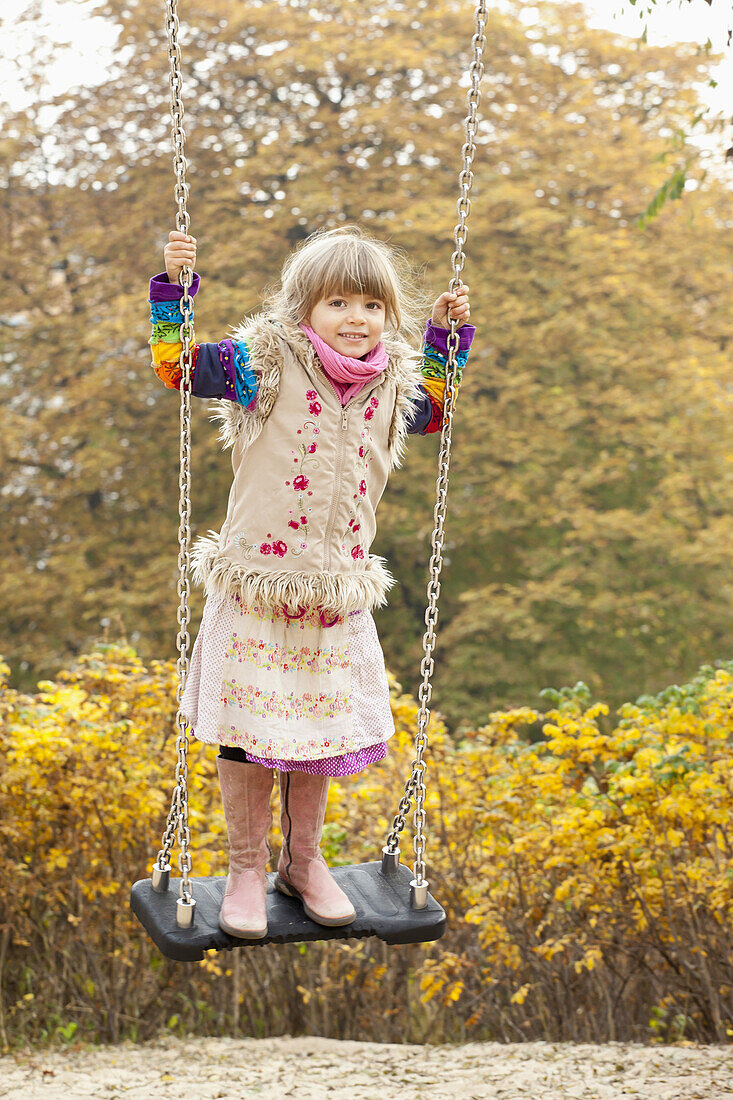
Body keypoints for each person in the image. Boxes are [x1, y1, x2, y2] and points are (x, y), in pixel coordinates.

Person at [148, 224, 474, 939]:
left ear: (389, 315)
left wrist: (450, 338)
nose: (356, 319)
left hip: (334, 592)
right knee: (248, 733)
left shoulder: (395, 380)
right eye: (337, 303)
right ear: (304, 309)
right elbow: (176, 368)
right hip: (259, 586)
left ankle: (303, 862)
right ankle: (242, 869)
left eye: (370, 305)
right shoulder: (262, 362)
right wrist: (173, 291)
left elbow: (438, 412)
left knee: (316, 735)